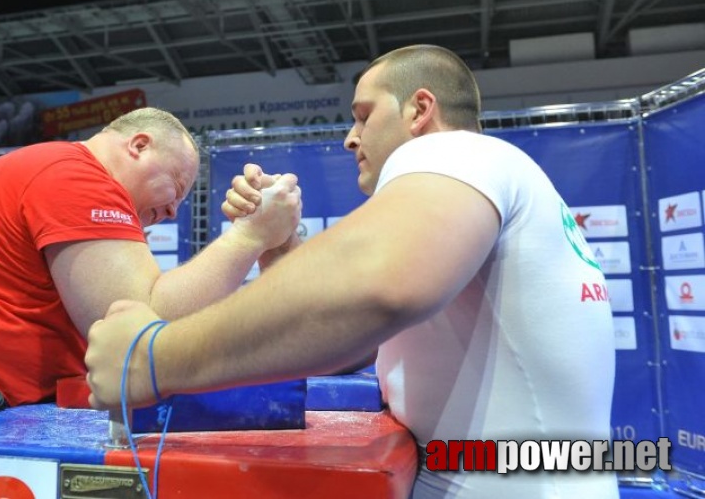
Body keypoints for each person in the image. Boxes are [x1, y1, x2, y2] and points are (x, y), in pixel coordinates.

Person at [84, 46, 619, 498]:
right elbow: (358, 342)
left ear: (420, 110)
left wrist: (153, 358)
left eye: (364, 114)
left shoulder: (458, 151)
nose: (350, 136)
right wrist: (278, 245)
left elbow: (376, 284)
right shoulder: (491, 184)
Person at [0, 107, 302, 497]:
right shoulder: (73, 174)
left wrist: (270, 245)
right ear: (138, 145)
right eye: (175, 188)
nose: (173, 211)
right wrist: (249, 236)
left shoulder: (66, 180)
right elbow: (142, 331)